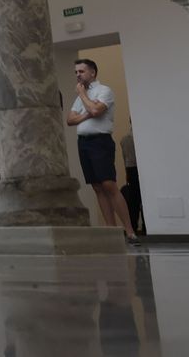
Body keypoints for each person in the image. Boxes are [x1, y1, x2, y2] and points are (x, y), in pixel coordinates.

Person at [67, 57, 138, 243]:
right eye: (76, 72)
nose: (78, 75)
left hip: (100, 141)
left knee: (109, 184)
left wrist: (83, 97)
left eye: (81, 71)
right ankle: (111, 230)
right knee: (97, 187)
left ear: (92, 72)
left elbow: (97, 111)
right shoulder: (80, 96)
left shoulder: (104, 90)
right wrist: (87, 112)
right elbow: (70, 120)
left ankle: (130, 230)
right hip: (84, 143)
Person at [120, 124, 144, 236]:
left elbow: (125, 158)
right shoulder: (140, 136)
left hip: (130, 169)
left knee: (133, 201)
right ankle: (145, 226)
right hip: (141, 169)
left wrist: (127, 174)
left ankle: (133, 226)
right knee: (144, 199)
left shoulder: (124, 139)